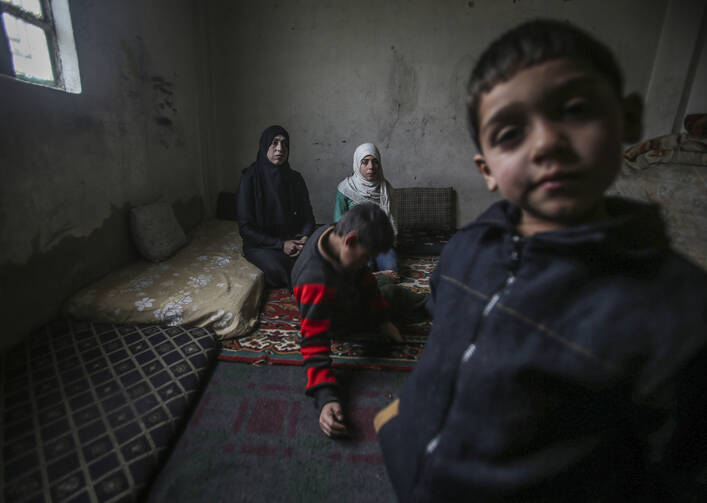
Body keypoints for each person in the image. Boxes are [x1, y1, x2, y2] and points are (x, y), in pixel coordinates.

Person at [375, 19, 707, 501]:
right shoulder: (467, 247)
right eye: (510, 132)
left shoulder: (678, 313)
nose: (546, 142)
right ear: (487, 169)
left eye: (574, 110)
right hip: (414, 473)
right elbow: (449, 339)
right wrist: (401, 417)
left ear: (628, 119)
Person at [291, 203, 407, 438]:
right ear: (350, 241)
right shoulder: (316, 282)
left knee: (381, 283)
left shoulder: (333, 231)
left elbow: (365, 278)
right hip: (338, 319)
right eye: (366, 257)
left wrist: (383, 319)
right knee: (395, 293)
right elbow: (313, 342)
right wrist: (325, 398)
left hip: (346, 291)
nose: (366, 263)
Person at [237, 125, 315, 289]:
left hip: (294, 239)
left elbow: (308, 217)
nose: (280, 148)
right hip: (262, 245)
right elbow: (245, 229)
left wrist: (304, 238)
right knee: (278, 268)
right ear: (265, 145)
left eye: (285, 144)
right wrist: (281, 245)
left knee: (322, 254)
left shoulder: (295, 178)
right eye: (274, 143)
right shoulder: (249, 178)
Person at [334, 142, 400, 281]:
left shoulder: (386, 189)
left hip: (380, 241)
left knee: (394, 270)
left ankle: (373, 277)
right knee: (362, 268)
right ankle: (375, 276)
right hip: (356, 243)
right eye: (365, 162)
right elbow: (338, 223)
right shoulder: (345, 189)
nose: (371, 167)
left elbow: (391, 220)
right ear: (357, 164)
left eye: (375, 162)